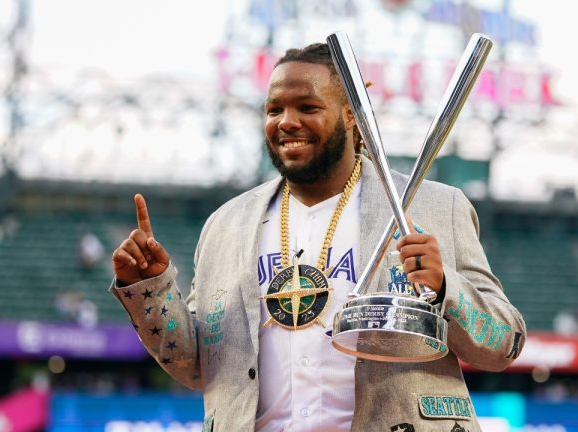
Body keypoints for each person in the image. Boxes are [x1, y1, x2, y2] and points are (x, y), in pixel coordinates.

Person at [109, 43, 526, 431]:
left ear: (352, 115)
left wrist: (444, 288)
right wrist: (150, 290)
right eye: (274, 109)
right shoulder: (225, 224)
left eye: (307, 106)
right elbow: (198, 367)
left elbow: (504, 344)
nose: (287, 122)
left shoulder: (434, 206)